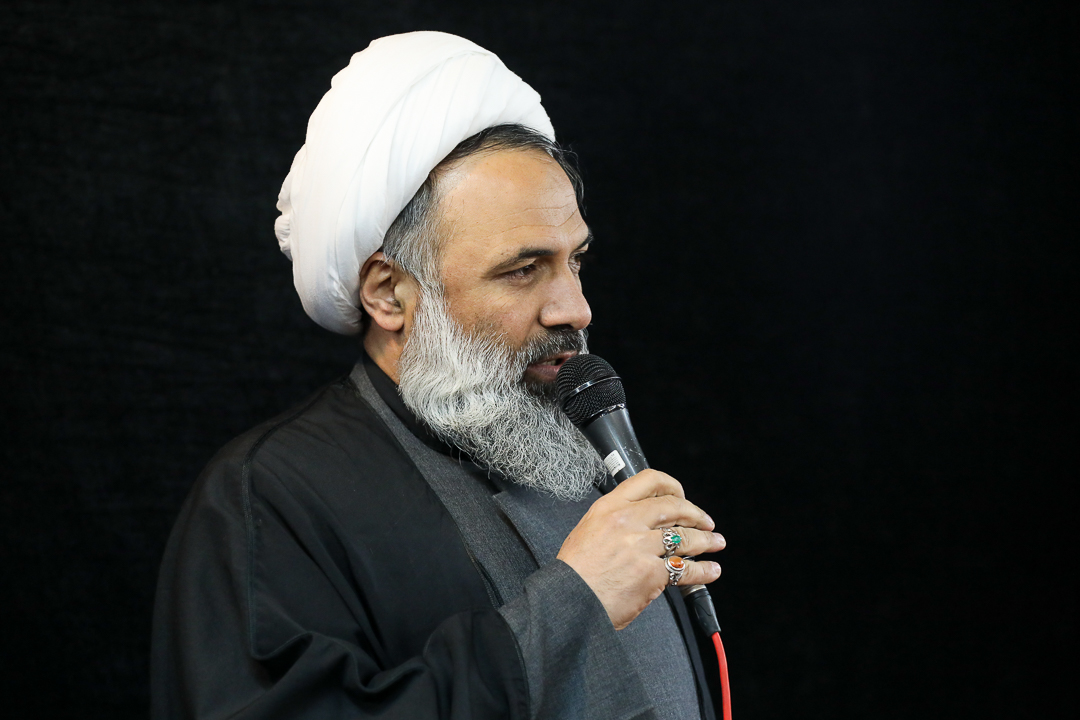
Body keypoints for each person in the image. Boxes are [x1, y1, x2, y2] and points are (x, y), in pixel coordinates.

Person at [151, 31, 726, 720]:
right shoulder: (270, 497)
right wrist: (575, 600)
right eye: (523, 269)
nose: (575, 308)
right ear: (389, 294)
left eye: (574, 261)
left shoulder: (572, 454)